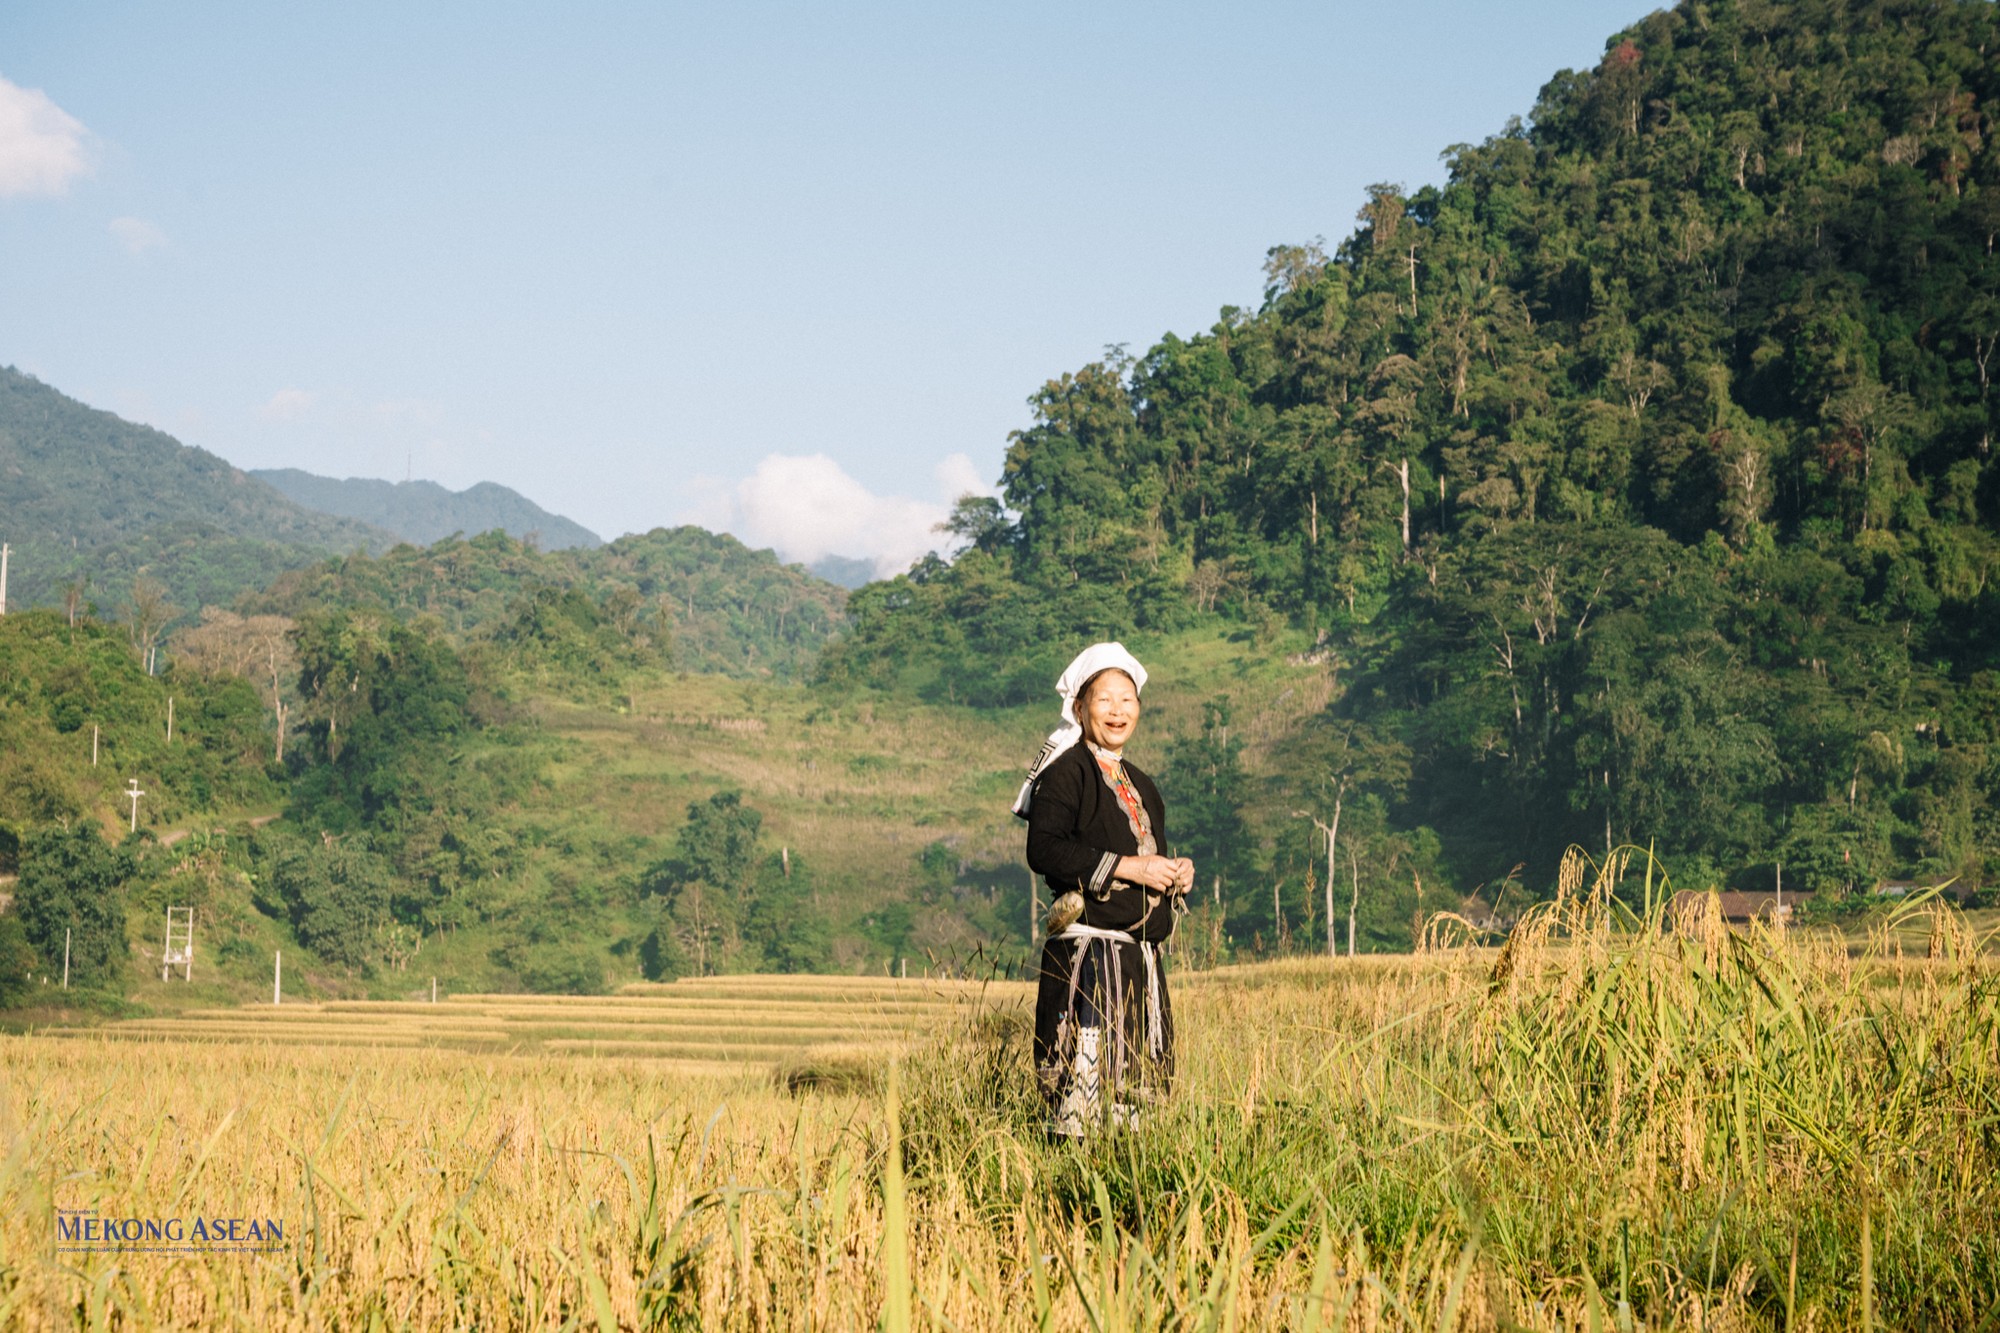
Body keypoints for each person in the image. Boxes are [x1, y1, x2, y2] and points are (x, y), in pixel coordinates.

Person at [1016, 642, 1195, 1137]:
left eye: (1127, 700)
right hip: (1090, 964)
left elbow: (1147, 857)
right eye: (1104, 700)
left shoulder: (1142, 784)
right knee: (1083, 1108)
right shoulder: (1065, 772)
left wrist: (1176, 873)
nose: (1117, 711)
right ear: (1079, 707)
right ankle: (1069, 1200)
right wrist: (1130, 868)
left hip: (1139, 963)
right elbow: (1045, 850)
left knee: (1134, 1112)